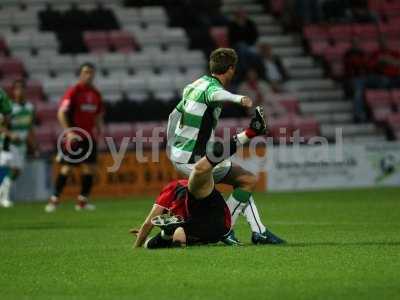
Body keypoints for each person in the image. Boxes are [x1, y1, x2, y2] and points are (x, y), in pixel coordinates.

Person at [167, 48, 284, 245]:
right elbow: (217, 95)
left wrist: (172, 145)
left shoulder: (194, 85)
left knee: (242, 183)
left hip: (181, 155)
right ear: (230, 69)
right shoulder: (211, 89)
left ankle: (259, 231)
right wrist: (240, 99)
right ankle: (225, 229)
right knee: (247, 180)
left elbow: (173, 116)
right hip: (196, 159)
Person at [132, 107, 282, 248]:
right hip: (211, 222)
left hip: (199, 223)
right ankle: (256, 232)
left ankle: (168, 233)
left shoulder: (174, 188)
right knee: (241, 181)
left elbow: (148, 224)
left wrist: (141, 242)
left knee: (170, 236)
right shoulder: (182, 184)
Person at [45, 63, 104, 213]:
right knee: (68, 168)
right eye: (86, 72)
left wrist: (99, 129)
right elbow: (61, 113)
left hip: (89, 137)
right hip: (75, 137)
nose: (89, 75)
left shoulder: (96, 94)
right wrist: (69, 132)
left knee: (90, 169)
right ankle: (54, 199)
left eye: (91, 72)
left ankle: (82, 202)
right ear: (80, 74)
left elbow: (98, 115)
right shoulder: (74, 91)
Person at [0, 80, 37, 208]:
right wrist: (11, 135)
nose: (19, 91)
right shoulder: (9, 107)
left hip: (21, 143)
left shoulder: (30, 107)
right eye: (17, 89)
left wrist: (34, 144)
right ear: (13, 91)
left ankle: (2, 194)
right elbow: (1, 126)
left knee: (17, 171)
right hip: (8, 142)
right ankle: (4, 198)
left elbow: (30, 127)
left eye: (22, 89)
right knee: (12, 168)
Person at [0, 88, 14, 207]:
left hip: (2, 140)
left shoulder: (1, 94)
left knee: (4, 167)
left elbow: (8, 114)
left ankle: (4, 197)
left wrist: (4, 129)